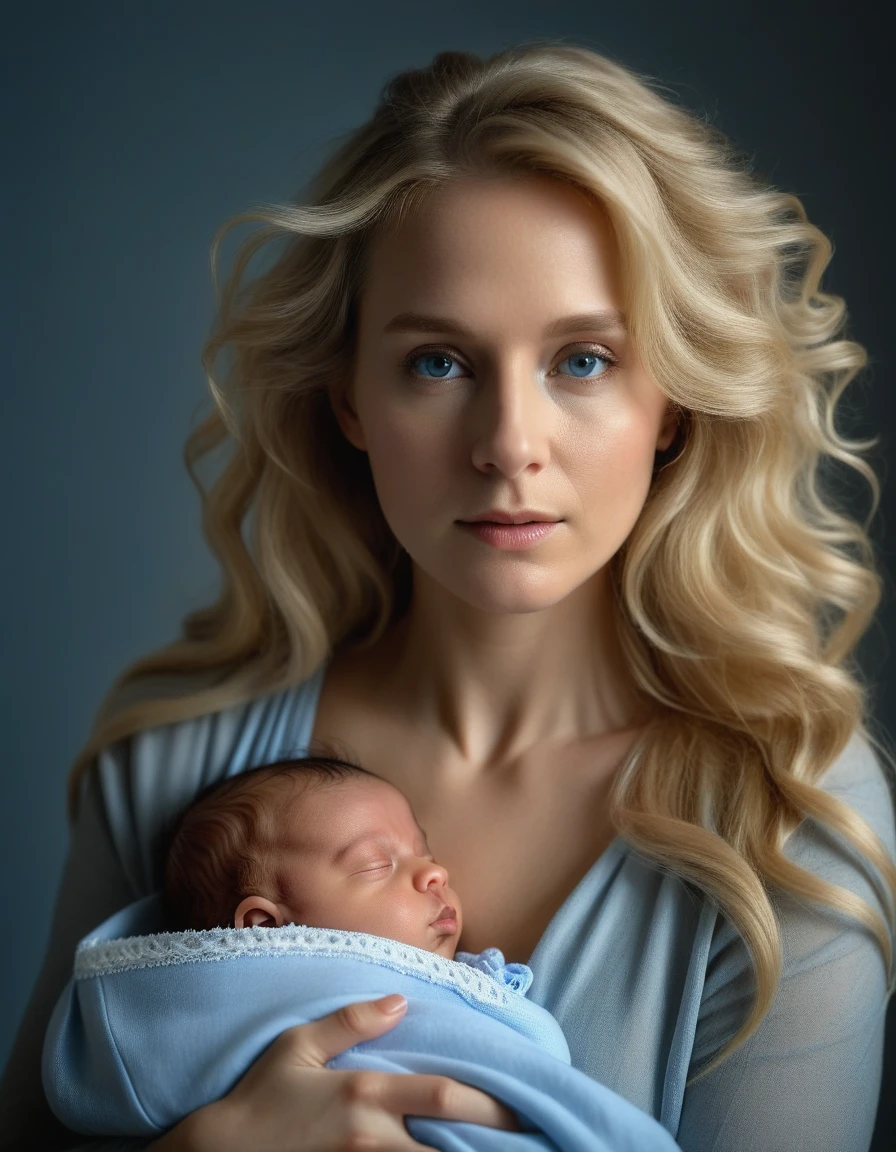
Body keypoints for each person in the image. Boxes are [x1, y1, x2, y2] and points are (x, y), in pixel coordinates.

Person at [2, 39, 895, 1152]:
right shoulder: (170, 769)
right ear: (348, 400)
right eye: (438, 363)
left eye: (581, 360)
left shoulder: (785, 811)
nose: (508, 447)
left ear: (670, 402)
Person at [42, 756, 680, 1150]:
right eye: (379, 863)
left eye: (424, 850)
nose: (434, 873)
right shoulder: (371, 1007)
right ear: (266, 929)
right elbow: (549, 1095)